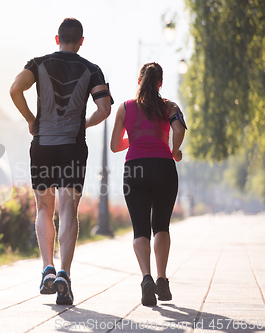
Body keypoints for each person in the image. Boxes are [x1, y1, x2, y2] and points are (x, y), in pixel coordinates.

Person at [10, 18, 112, 305]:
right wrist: (85, 124)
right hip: (72, 148)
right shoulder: (92, 70)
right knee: (68, 207)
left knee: (44, 206)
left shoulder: (38, 64)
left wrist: (31, 119)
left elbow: (15, 89)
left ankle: (47, 269)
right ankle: (64, 274)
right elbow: (104, 109)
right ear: (81, 41)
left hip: (42, 144)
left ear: (57, 39)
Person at [110, 62, 186, 306]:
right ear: (160, 83)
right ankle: (162, 280)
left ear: (139, 81)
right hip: (164, 168)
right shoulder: (170, 106)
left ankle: (146, 279)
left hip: (135, 169)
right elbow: (178, 128)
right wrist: (174, 150)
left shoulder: (125, 108)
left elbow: (114, 145)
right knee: (161, 226)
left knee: (140, 229)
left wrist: (134, 138)